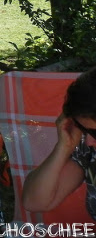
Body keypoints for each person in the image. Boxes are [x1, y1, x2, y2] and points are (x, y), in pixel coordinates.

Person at [22, 67, 96, 218]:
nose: (89, 140)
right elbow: (34, 202)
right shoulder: (88, 150)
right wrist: (64, 147)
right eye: (82, 127)